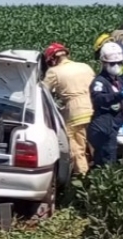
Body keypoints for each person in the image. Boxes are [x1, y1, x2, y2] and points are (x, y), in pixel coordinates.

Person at [41, 42, 95, 175]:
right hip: (94, 108)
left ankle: (82, 175)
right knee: (94, 142)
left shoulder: (54, 71)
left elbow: (43, 92)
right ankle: (100, 172)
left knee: (76, 146)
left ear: (52, 59)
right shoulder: (85, 66)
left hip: (75, 112)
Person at [88, 42, 123, 167]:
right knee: (105, 159)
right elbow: (98, 99)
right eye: (113, 63)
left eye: (119, 63)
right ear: (104, 63)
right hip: (103, 127)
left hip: (115, 125)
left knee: (117, 157)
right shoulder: (99, 82)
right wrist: (118, 95)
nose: (116, 66)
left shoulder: (119, 81)